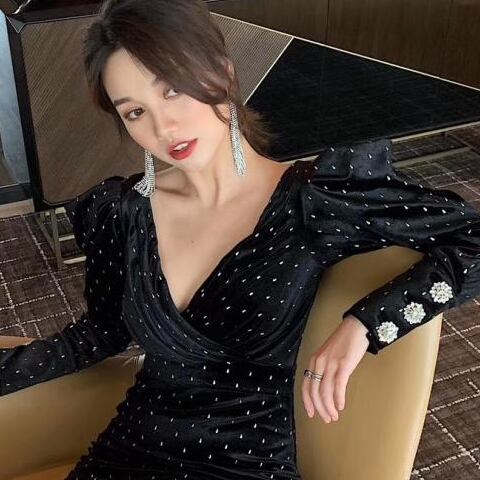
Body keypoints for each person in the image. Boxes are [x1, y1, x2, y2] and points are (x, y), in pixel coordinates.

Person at [1, 0, 480, 478]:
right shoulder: (122, 212)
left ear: (222, 74)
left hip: (244, 464)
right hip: (127, 452)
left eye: (173, 90)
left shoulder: (317, 197)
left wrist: (367, 324)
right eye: (135, 112)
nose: (163, 127)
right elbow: (98, 334)